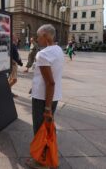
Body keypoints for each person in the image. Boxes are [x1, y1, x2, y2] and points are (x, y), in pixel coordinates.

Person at [25, 24, 64, 169]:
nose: (36, 39)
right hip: (52, 97)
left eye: (38, 36)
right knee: (46, 128)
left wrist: (46, 107)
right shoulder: (58, 50)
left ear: (46, 36)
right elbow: (50, 77)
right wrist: (34, 86)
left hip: (43, 99)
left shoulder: (43, 54)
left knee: (40, 130)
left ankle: (40, 161)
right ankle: (46, 157)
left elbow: (50, 82)